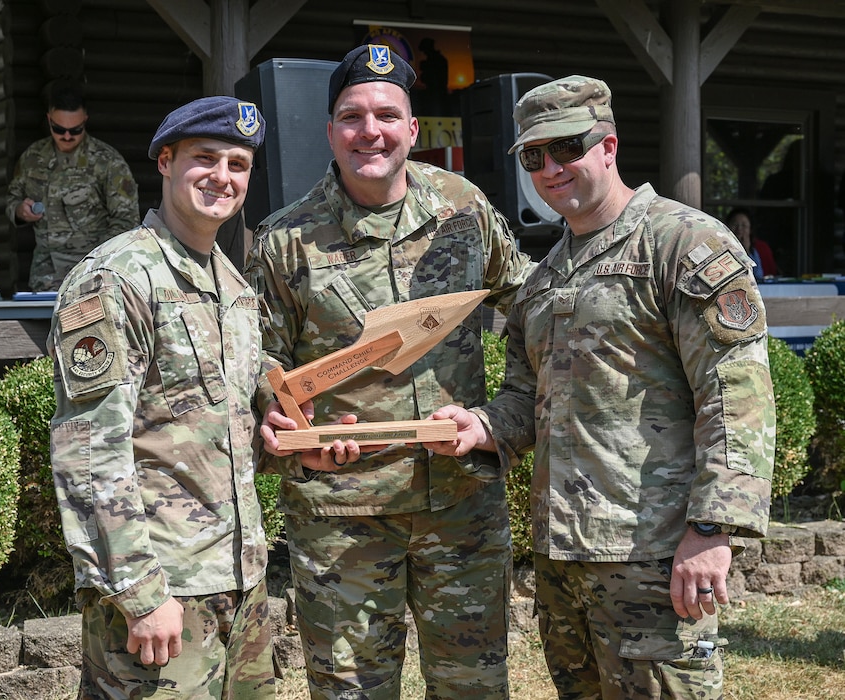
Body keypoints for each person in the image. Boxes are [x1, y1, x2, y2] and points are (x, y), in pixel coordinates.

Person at [425, 75, 775, 699]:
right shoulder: (544, 277)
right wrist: (481, 426)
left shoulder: (682, 244)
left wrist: (712, 529)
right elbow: (523, 401)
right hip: (564, 560)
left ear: (609, 146)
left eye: (568, 147)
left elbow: (736, 398)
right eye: (535, 156)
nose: (552, 167)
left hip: (654, 555)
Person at [244, 44, 534, 700]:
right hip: (343, 516)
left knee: (473, 689)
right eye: (350, 116)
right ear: (329, 132)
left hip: (459, 507)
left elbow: (533, 310)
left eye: (384, 114)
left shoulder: (463, 209)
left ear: (411, 128)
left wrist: (503, 419)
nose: (367, 130)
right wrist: (286, 418)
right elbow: (256, 360)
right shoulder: (286, 240)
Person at [48, 96, 275, 699]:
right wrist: (141, 594)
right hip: (164, 589)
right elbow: (90, 452)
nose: (223, 177)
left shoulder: (232, 285)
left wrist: (279, 415)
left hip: (241, 581)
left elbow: (220, 420)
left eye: (238, 164)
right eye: (206, 158)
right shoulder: (118, 278)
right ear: (166, 162)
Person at [6, 80, 139, 291]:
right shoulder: (32, 158)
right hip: (45, 276)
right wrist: (20, 210)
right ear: (49, 120)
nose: (67, 136)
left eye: (75, 130)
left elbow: (126, 221)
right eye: (59, 129)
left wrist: (98, 263)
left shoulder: (107, 162)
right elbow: (12, 198)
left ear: (85, 120)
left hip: (93, 276)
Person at [726, 207, 777, 279]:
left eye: (744, 225)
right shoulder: (722, 246)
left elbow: (758, 276)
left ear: (750, 229)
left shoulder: (756, 250)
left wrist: (747, 250)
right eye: (735, 224)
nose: (739, 229)